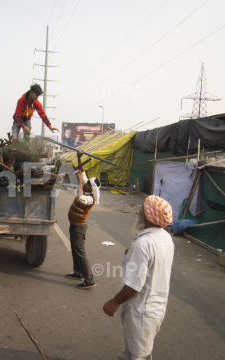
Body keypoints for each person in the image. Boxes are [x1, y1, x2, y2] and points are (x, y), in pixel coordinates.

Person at [103, 195, 174, 360]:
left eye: (143, 208)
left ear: (148, 216)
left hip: (142, 313)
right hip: (156, 309)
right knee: (132, 352)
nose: (139, 211)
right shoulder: (166, 238)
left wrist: (114, 302)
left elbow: (135, 285)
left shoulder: (143, 244)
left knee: (138, 355)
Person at [66, 153, 101, 290]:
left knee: (80, 252)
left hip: (79, 228)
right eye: (86, 182)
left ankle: (89, 280)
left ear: (90, 188)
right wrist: (79, 157)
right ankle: (78, 272)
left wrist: (80, 181)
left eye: (87, 184)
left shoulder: (90, 198)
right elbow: (82, 171)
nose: (85, 183)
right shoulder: (86, 186)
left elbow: (80, 198)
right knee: (75, 250)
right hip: (74, 225)